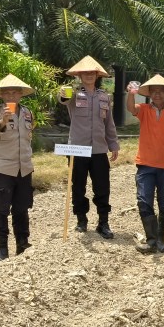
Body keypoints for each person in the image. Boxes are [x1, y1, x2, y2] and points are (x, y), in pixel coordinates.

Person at [59, 55, 120, 239]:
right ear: (79, 75)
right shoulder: (74, 95)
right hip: (78, 149)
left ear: (97, 75)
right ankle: (81, 220)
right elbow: (62, 99)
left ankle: (103, 222)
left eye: (92, 72)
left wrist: (113, 144)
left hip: (99, 149)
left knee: (102, 187)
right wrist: (62, 94)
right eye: (85, 73)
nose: (89, 75)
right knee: (78, 186)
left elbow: (109, 123)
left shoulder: (104, 97)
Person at [125, 74, 164, 254]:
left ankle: (161, 239)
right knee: (144, 201)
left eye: (161, 91)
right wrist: (130, 93)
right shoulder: (143, 110)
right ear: (149, 94)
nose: (157, 95)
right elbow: (130, 108)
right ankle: (151, 240)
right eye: (154, 91)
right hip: (145, 164)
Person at [0, 74, 37, 262]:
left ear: (21, 94)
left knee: (22, 208)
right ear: (1, 95)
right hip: (2, 168)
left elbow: (29, 136)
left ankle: (22, 243)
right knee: (0, 209)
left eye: (15, 92)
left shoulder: (27, 112)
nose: (12, 96)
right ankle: (1, 247)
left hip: (24, 168)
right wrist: (3, 122)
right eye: (7, 93)